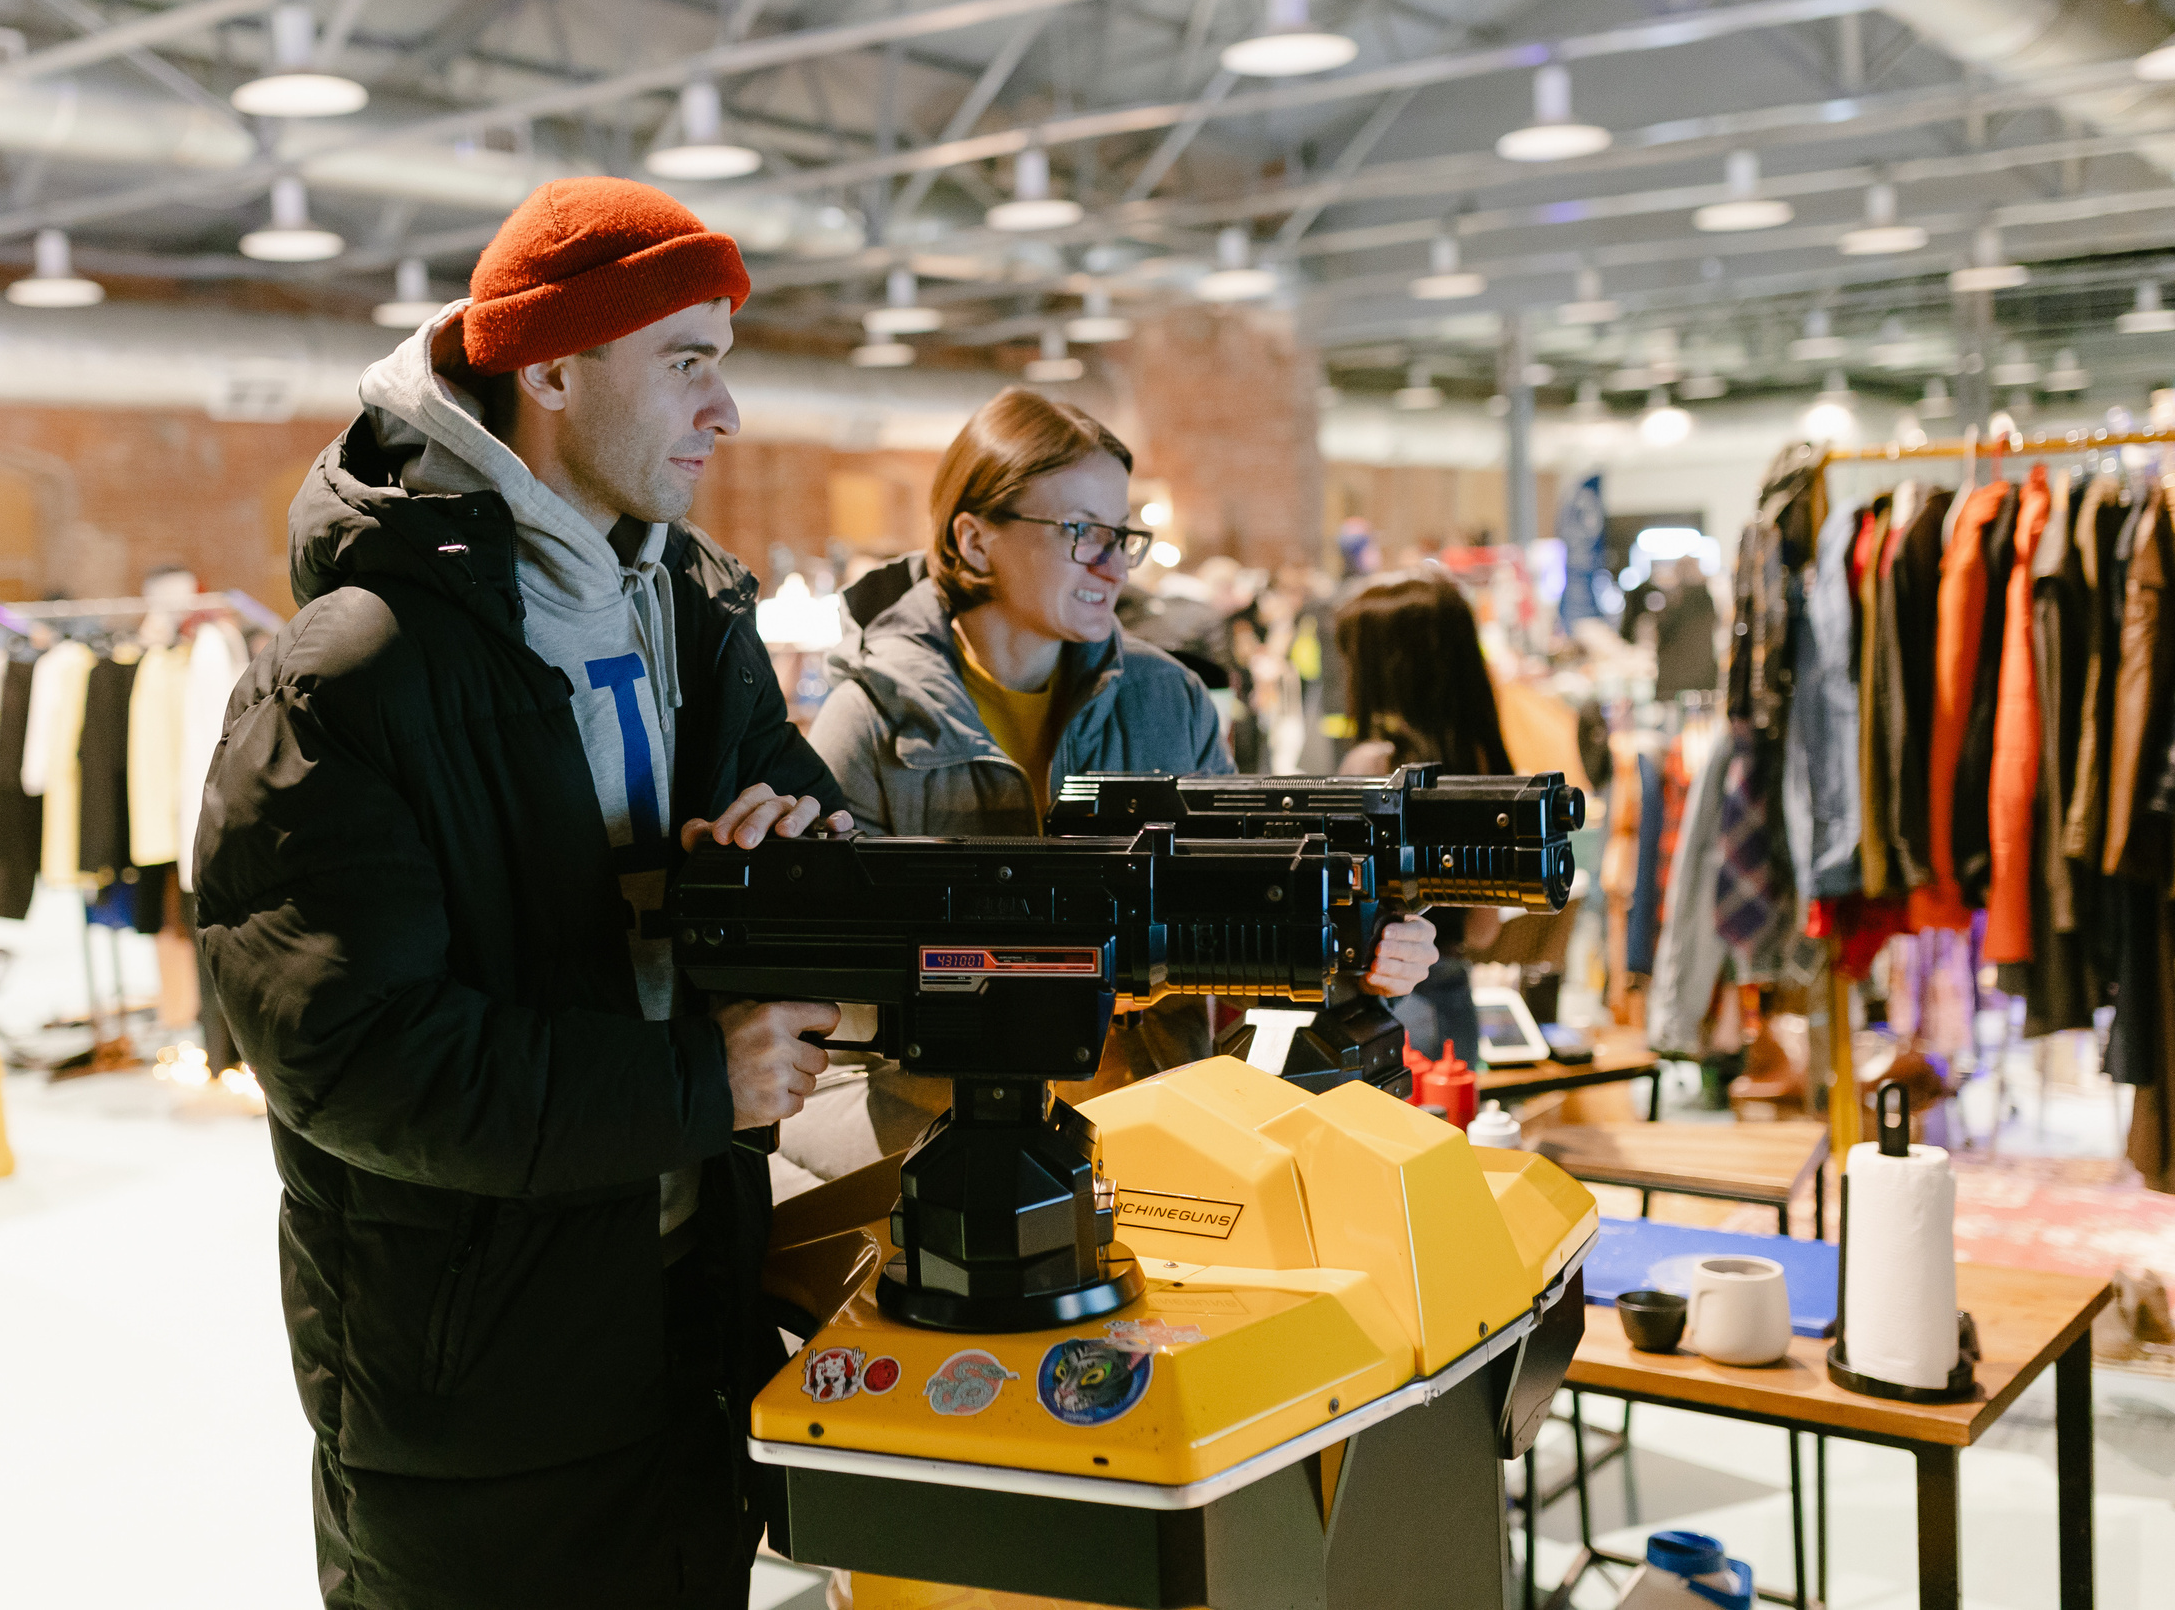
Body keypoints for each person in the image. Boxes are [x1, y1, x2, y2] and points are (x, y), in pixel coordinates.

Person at [194, 178, 850, 1610]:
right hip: (481, 1392)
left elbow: (819, 812)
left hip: (687, 1331)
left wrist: (806, 848)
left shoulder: (692, 607)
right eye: (688, 358)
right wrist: (700, 1081)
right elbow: (356, 1056)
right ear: (551, 366)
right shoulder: (348, 671)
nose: (724, 409)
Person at [799, 389, 1437, 1176]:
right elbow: (831, 988)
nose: (1112, 563)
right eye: (1080, 532)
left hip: (1155, 1138)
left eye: (1121, 534)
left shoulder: (1170, 699)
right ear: (974, 540)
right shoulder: (868, 721)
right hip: (932, 1152)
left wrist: (1353, 948)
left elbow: (1244, 903)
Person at [1335, 567, 1515, 1065]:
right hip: (1454, 1000)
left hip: (1391, 1007)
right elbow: (1483, 928)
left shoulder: (1373, 769)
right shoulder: (1479, 762)